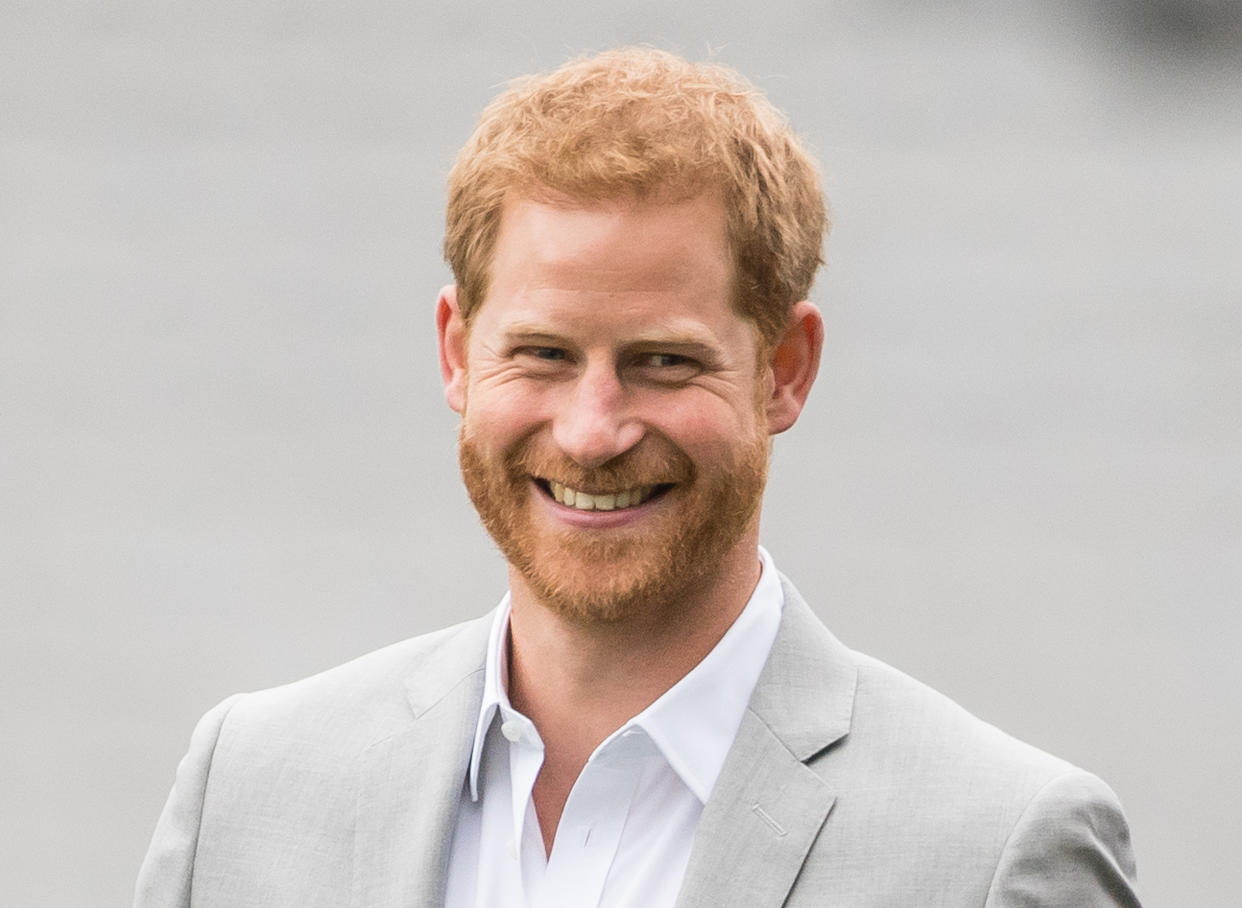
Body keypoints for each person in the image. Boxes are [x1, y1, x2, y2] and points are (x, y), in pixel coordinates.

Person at [135, 48, 1142, 907]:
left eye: (663, 361)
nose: (592, 430)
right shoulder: (248, 793)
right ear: (455, 350)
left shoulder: (996, 849)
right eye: (542, 353)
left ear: (785, 369)